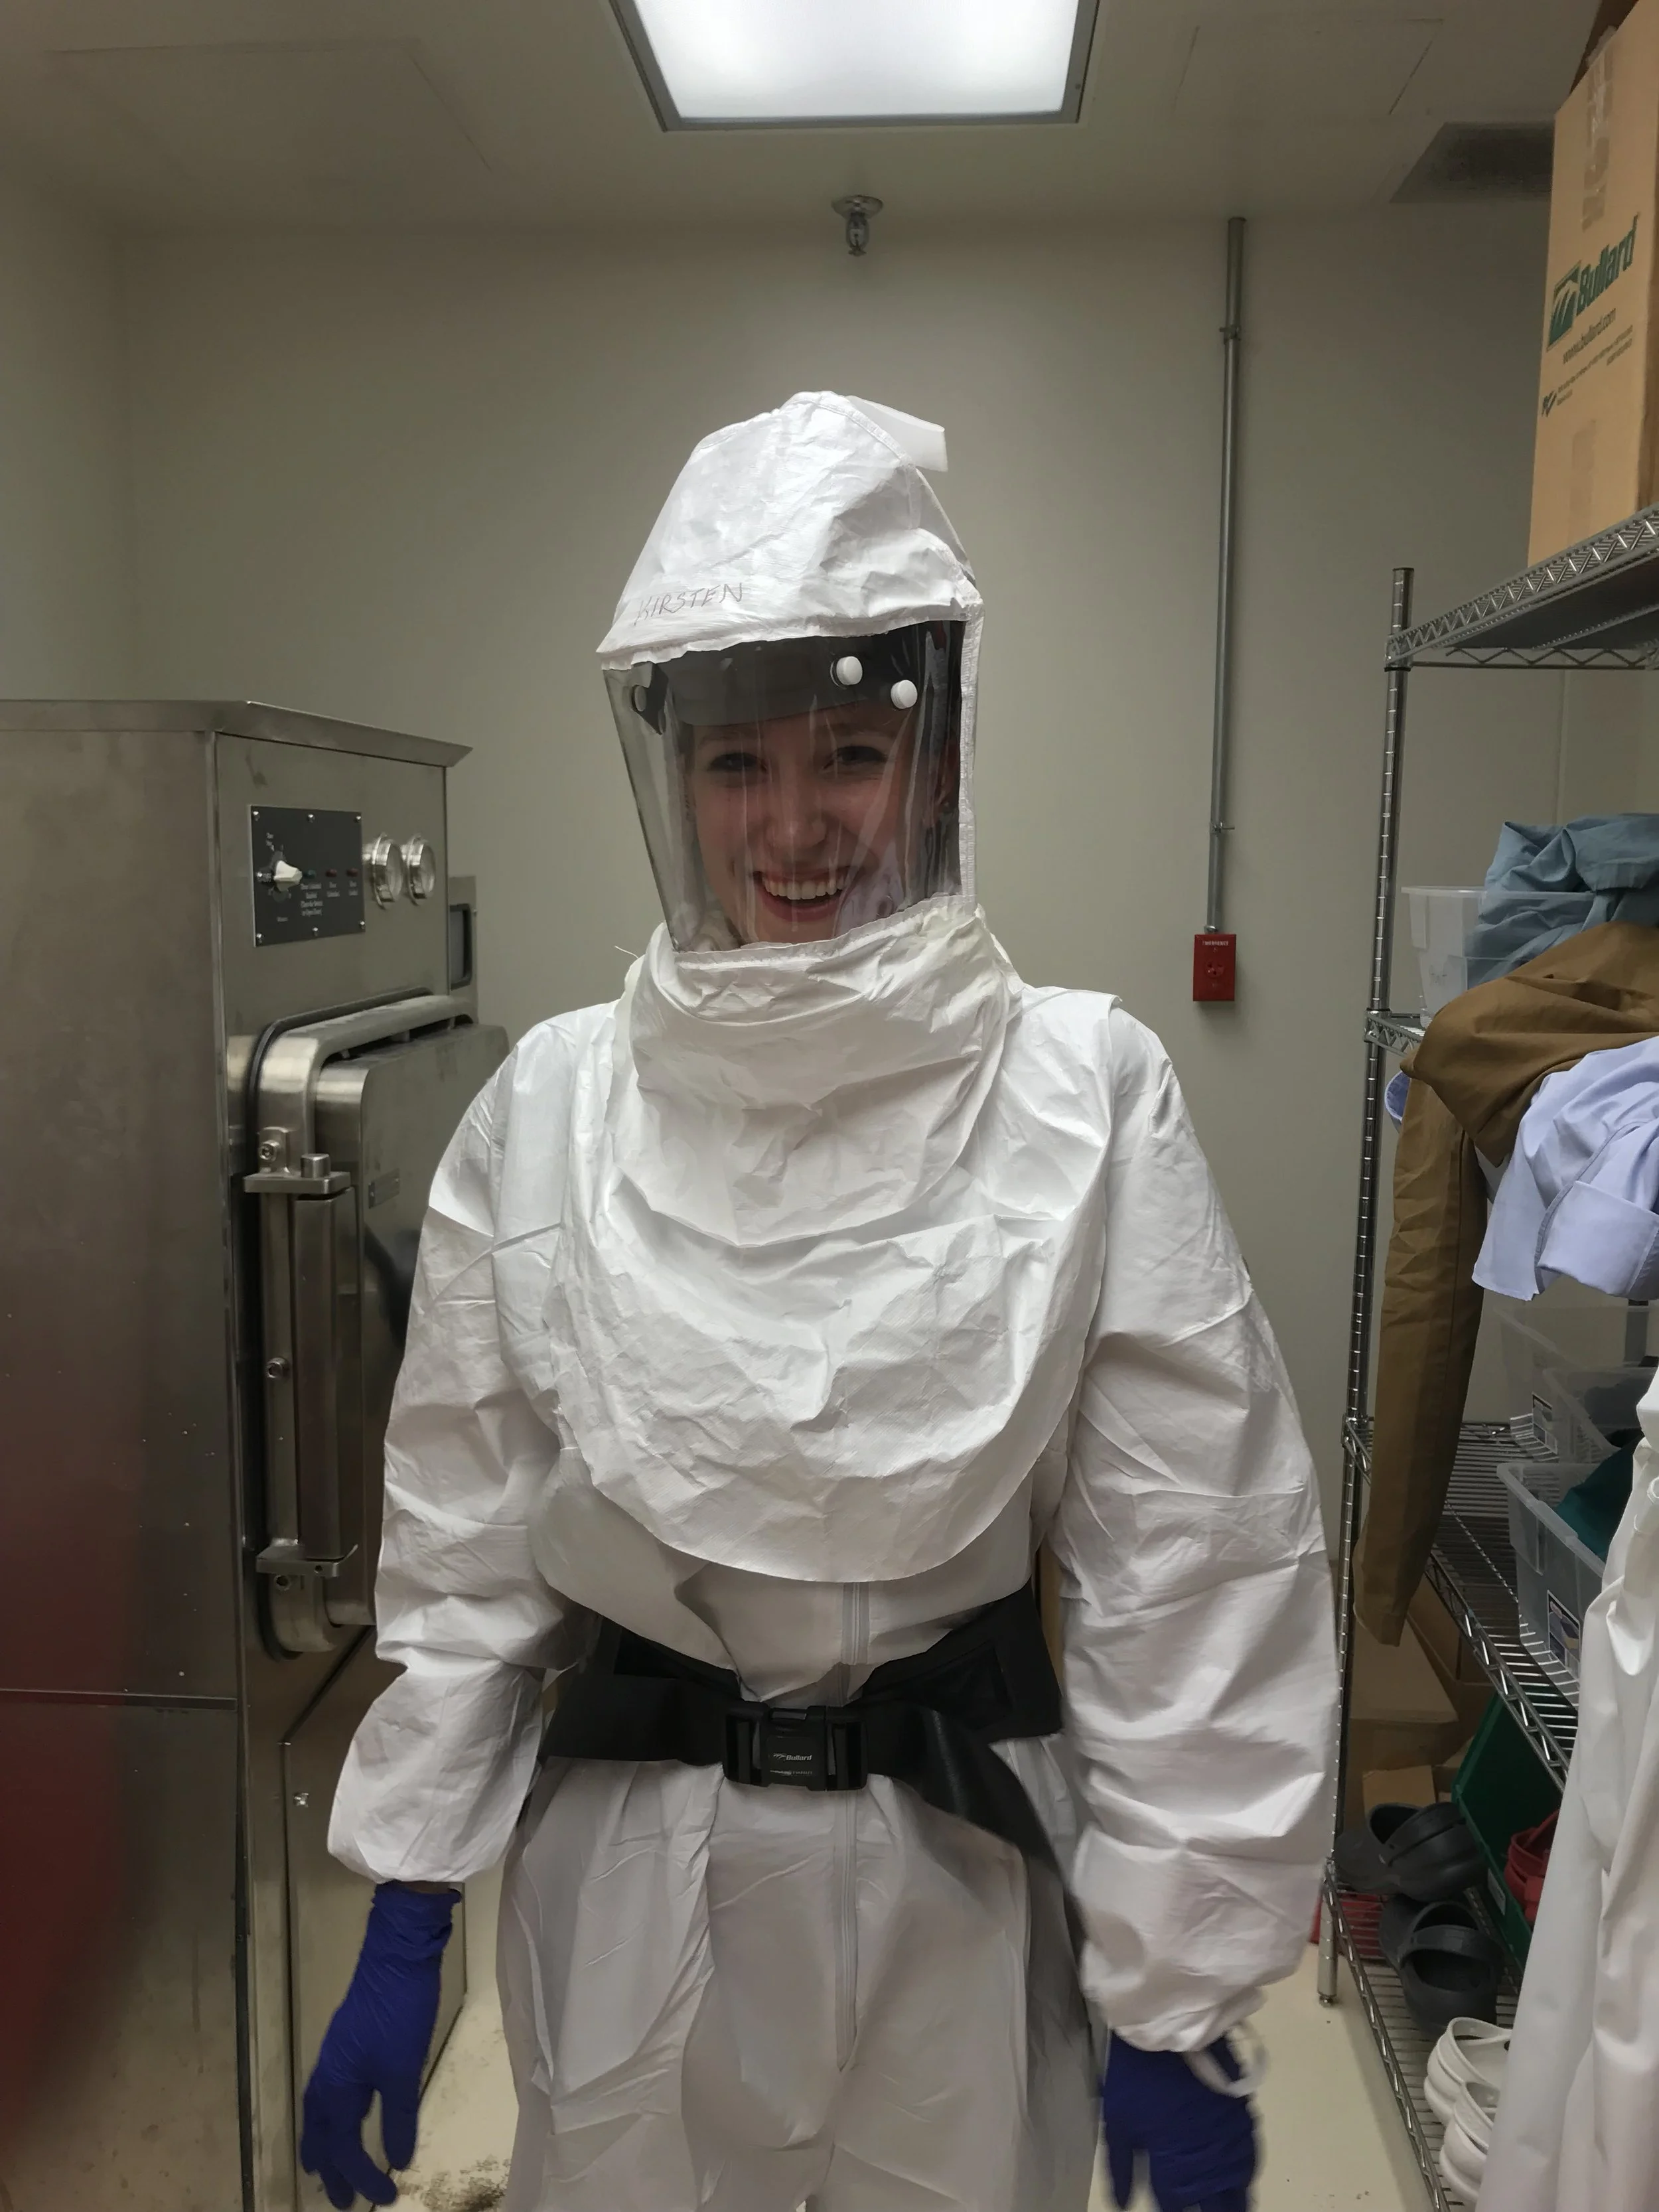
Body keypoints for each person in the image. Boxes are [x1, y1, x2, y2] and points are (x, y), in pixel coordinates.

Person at [301, 392, 1338, 2212]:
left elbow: (1187, 1567)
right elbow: (465, 1552)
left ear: (935, 762)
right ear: (673, 785)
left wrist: (1172, 1996)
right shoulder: (552, 1107)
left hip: (960, 1869)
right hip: (629, 1873)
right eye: (733, 766)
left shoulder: (1081, 1096)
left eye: (848, 751)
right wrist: (403, 1912)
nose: (795, 824)